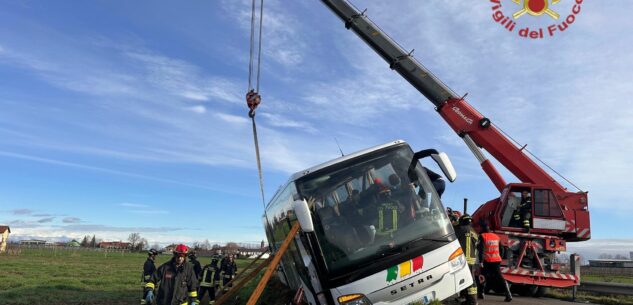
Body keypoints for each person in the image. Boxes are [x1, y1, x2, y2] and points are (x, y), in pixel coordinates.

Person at [478, 225, 512, 302]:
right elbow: (502, 249)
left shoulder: (482, 236)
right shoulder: (496, 237)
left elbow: (481, 250)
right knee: (500, 277)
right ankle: (508, 294)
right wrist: (500, 258)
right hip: (496, 260)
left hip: (487, 261)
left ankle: (481, 293)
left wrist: (480, 261)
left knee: (482, 276)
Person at [454, 215, 479, 305]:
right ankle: (466, 298)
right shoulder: (474, 232)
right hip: (472, 259)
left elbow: (452, 235)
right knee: (468, 279)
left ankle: (472, 301)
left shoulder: (461, 229)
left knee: (468, 280)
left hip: (463, 259)